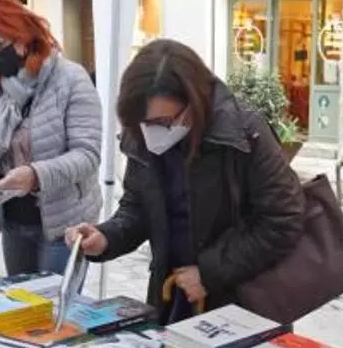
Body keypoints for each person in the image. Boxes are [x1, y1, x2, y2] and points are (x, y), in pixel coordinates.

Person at [65, 39, 305, 324]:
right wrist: (105, 237)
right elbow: (137, 207)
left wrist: (209, 273)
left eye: (162, 122)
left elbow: (283, 218)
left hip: (243, 299)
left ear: (194, 103)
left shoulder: (243, 132)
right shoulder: (141, 131)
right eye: (142, 123)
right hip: (172, 294)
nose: (150, 132)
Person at [0, 0, 102, 276]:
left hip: (64, 226)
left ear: (23, 36)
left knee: (53, 314)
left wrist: (34, 175)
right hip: (12, 221)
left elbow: (87, 155)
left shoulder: (70, 79)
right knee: (21, 313)